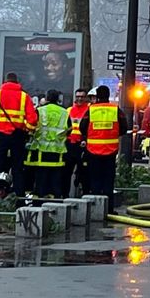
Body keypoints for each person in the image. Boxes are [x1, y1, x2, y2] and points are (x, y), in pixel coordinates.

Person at [0, 72, 38, 196]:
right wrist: (27, 130)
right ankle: (19, 195)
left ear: (5, 81)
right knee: (17, 168)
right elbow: (32, 120)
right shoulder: (24, 96)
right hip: (17, 136)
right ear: (17, 81)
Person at [79, 85, 128, 213]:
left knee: (95, 180)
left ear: (97, 96)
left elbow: (82, 127)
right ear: (107, 95)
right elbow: (124, 127)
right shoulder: (115, 110)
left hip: (93, 150)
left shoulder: (91, 110)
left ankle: (96, 210)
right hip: (110, 150)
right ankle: (109, 209)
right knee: (108, 180)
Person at [25, 90, 71, 198]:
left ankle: (39, 203)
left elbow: (31, 126)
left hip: (41, 152)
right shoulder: (64, 112)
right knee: (55, 181)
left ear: (46, 98)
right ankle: (54, 203)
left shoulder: (40, 111)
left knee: (41, 181)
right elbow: (69, 129)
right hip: (57, 153)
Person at [63, 88, 89, 197]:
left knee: (84, 173)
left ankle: (84, 195)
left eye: (82, 97)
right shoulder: (68, 110)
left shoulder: (89, 109)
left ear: (85, 98)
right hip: (69, 144)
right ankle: (65, 195)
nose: (79, 99)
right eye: (78, 96)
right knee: (66, 172)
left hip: (82, 144)